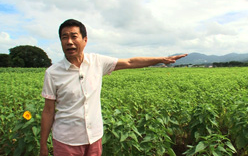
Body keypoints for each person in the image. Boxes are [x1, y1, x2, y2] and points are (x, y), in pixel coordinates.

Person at [39, 19, 187, 156]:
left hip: (94, 138)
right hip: (66, 141)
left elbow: (130, 62)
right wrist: (43, 144)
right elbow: (48, 110)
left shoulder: (97, 62)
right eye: (64, 37)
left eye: (74, 36)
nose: (69, 42)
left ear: (85, 40)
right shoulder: (53, 73)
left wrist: (161, 59)